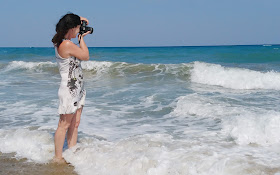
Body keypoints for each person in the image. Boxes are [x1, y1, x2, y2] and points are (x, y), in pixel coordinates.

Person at [52, 13, 91, 163]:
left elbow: (73, 21)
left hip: (78, 89)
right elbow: (85, 55)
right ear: (71, 28)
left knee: (75, 123)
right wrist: (81, 39)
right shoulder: (66, 44)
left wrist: (80, 20)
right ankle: (58, 157)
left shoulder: (63, 41)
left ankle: (72, 151)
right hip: (69, 90)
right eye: (77, 28)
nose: (78, 31)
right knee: (64, 124)